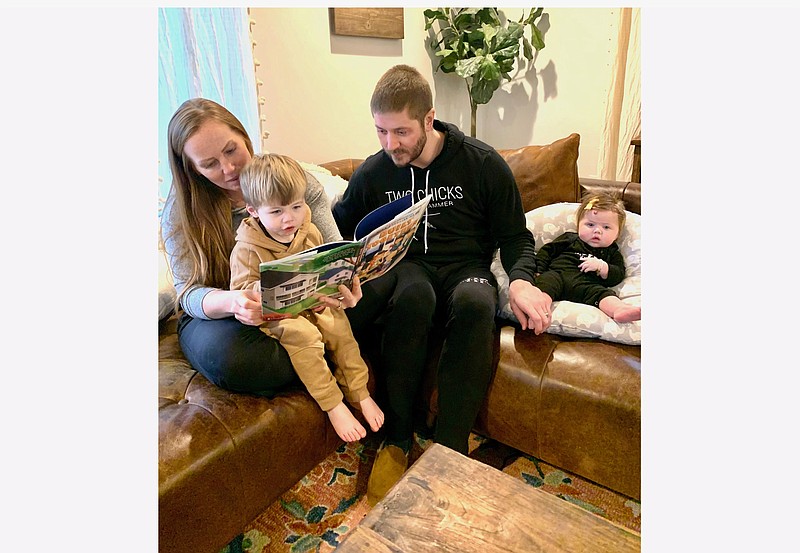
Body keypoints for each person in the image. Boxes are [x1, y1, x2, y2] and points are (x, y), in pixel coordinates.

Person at [332, 65, 552, 505]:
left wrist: (522, 282)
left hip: (466, 267)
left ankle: (451, 449)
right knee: (413, 295)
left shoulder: (482, 163)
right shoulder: (375, 172)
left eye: (400, 132)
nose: (389, 144)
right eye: (380, 131)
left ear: (429, 120)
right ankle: (395, 439)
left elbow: (515, 237)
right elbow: (336, 233)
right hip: (409, 266)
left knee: (474, 302)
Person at [161, 97, 361, 396]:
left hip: (297, 301)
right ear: (192, 169)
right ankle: (318, 354)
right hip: (219, 312)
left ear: (245, 137)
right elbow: (188, 293)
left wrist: (344, 281)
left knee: (375, 300)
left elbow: (332, 251)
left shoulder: (293, 179)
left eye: (231, 150)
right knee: (239, 360)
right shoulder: (181, 212)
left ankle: (317, 352)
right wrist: (233, 301)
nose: (229, 168)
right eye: (209, 164)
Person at [229, 153, 384, 441]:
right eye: (276, 212)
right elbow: (242, 292)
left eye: (296, 206)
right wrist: (257, 290)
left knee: (340, 329)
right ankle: (333, 404)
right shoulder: (246, 248)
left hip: (313, 302)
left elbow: (326, 264)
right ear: (252, 211)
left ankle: (359, 391)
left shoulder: (309, 230)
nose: (289, 218)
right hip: (278, 315)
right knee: (304, 337)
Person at [534, 193, 641, 323]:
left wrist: (603, 267)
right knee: (546, 283)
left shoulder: (612, 253)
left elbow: (618, 275)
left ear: (617, 234)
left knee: (603, 294)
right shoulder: (570, 238)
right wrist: (539, 270)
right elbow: (547, 251)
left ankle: (619, 310)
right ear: (578, 225)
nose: (597, 231)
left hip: (587, 286)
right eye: (590, 225)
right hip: (557, 275)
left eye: (606, 227)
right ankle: (539, 309)